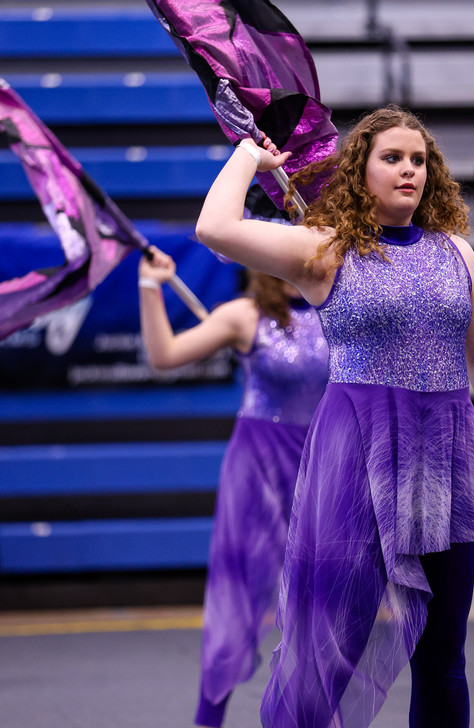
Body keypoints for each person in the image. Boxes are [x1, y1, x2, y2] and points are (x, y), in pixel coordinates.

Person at [195, 105, 474, 728]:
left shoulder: (458, 253)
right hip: (357, 469)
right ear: (360, 170)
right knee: (329, 652)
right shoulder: (325, 251)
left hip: (445, 466)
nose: (409, 170)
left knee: (444, 659)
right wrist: (248, 155)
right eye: (392, 158)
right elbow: (214, 228)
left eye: (419, 160)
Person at [137, 247, 329, 726]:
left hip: (325, 467)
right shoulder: (245, 315)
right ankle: (209, 717)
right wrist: (149, 286)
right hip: (258, 471)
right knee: (236, 599)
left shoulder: (341, 309)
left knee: (323, 607)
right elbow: (164, 355)